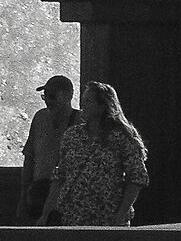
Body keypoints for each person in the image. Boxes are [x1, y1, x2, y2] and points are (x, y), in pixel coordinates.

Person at [41, 82, 149, 227]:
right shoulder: (72, 136)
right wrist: (46, 213)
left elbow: (136, 178)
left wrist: (120, 215)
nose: (83, 106)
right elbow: (60, 177)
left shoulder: (121, 137)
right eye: (83, 101)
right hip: (72, 218)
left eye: (88, 101)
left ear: (103, 106)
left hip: (107, 218)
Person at [17, 74, 78, 223]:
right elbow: (29, 158)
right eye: (45, 97)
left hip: (66, 196)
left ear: (68, 96)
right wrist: (24, 194)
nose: (48, 102)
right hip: (38, 191)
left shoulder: (80, 122)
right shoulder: (40, 118)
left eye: (52, 96)